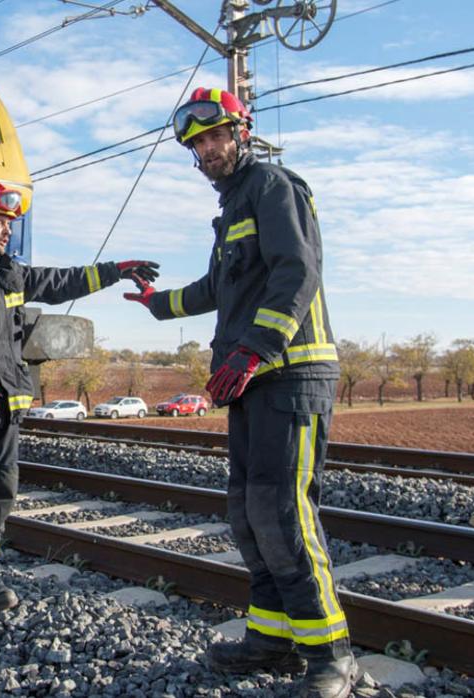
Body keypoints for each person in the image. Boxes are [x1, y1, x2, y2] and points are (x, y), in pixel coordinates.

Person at [124, 88, 354, 698]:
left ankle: (331, 654)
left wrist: (258, 348)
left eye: (214, 136)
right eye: (196, 144)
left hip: (291, 373)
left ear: (241, 131)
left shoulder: (276, 186)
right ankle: (272, 637)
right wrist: (158, 306)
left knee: (284, 512)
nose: (205, 150)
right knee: (249, 513)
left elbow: (296, 272)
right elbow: (216, 286)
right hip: (249, 379)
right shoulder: (233, 208)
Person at [0, 179, 159, 624]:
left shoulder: (12, 275)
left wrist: (116, 269)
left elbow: (65, 281)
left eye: (10, 223)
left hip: (5, 413)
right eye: (0, 222)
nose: (8, 231)